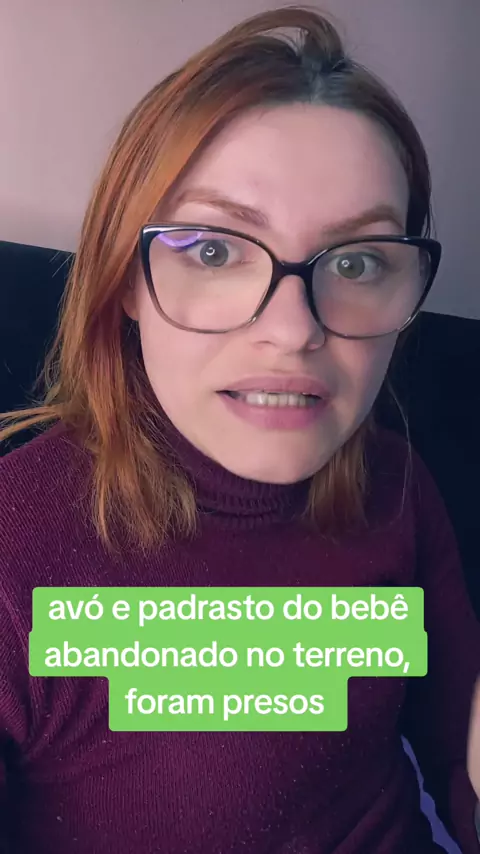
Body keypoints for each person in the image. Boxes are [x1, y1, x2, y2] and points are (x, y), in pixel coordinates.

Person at [0, 7, 478, 853]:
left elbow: (453, 771)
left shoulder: (393, 483)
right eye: (215, 250)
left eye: (358, 261)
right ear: (124, 279)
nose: (294, 330)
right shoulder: (18, 554)